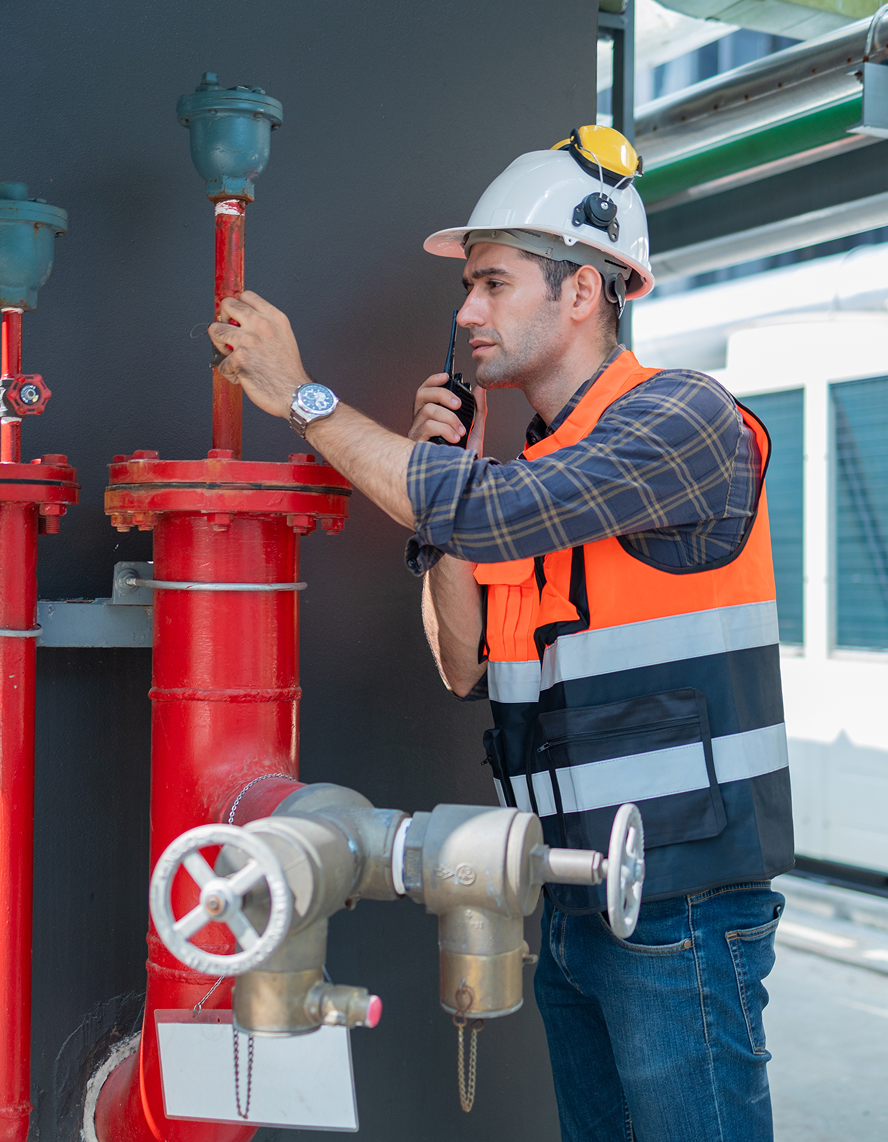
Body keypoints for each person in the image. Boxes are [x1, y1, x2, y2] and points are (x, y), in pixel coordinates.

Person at [209, 125, 793, 1142]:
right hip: (568, 894)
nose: (466, 311)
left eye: (492, 283)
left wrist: (304, 400)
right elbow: (461, 659)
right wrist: (444, 496)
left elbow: (488, 514)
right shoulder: (525, 473)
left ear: (583, 291)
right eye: (466, 288)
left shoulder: (682, 420)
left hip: (682, 906)